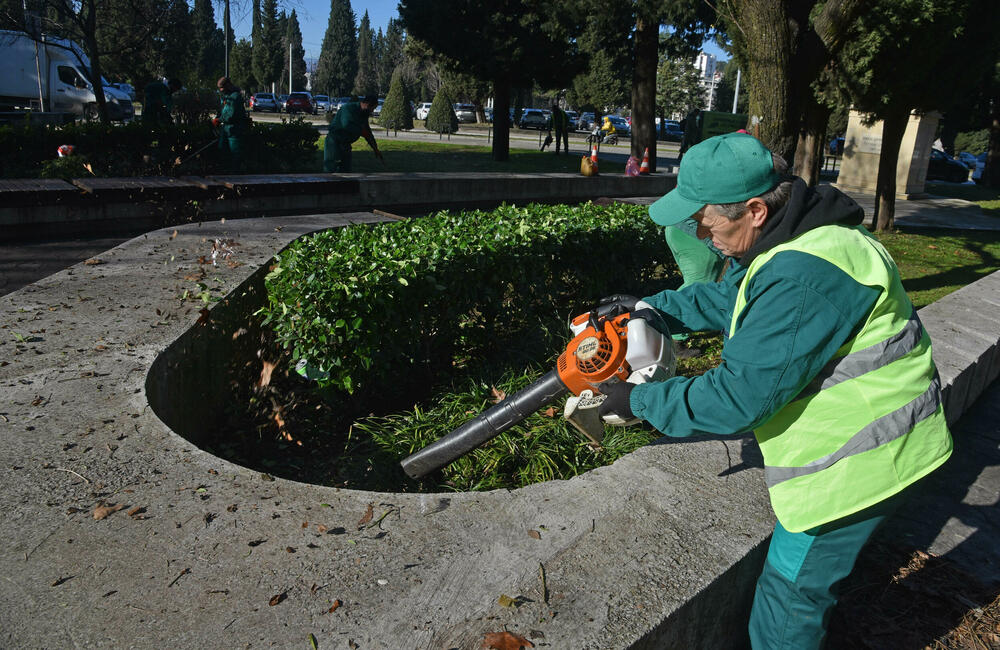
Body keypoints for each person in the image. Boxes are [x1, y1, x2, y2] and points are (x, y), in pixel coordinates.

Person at [595, 132, 953, 649]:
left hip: (863, 460)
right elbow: (732, 302)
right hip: (890, 437)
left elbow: (739, 396)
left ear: (756, 209)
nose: (697, 233)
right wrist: (652, 308)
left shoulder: (804, 276)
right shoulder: (803, 240)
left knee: (789, 599)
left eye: (705, 220)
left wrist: (641, 401)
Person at [323, 95, 383, 173]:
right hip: (334, 143)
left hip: (346, 144)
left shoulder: (364, 114)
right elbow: (346, 125)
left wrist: (375, 148)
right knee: (332, 170)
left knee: (346, 171)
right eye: (372, 109)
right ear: (367, 104)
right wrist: (361, 131)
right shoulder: (348, 108)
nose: (372, 111)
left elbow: (368, 132)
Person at [215, 77, 250, 172]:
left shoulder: (235, 97)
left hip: (234, 129)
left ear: (228, 85)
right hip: (225, 128)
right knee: (222, 150)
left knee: (235, 153)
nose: (221, 90)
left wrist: (219, 119)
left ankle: (235, 174)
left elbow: (231, 114)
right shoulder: (225, 97)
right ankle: (224, 172)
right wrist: (218, 117)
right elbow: (223, 110)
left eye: (222, 87)